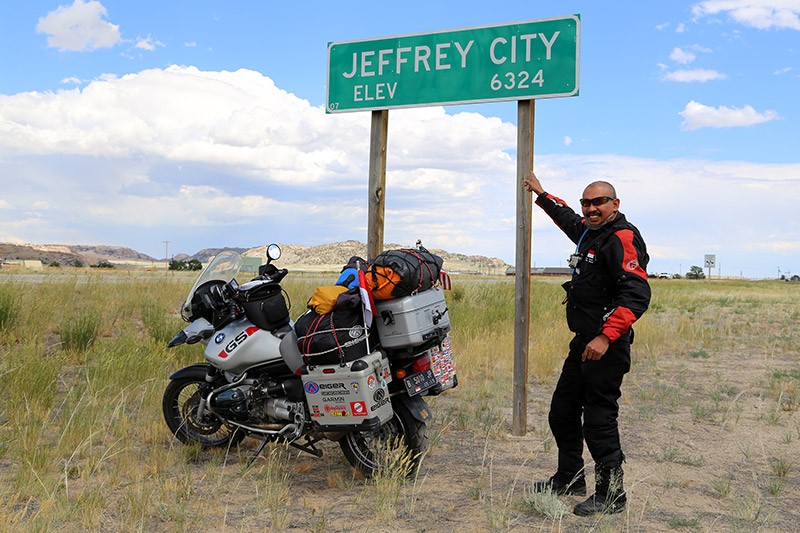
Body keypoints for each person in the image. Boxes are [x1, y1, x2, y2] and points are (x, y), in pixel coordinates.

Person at [523, 171, 650, 516]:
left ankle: (612, 495)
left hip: (606, 346)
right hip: (583, 344)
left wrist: (606, 336)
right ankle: (570, 477)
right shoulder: (593, 234)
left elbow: (637, 294)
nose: (591, 208)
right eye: (586, 203)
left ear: (615, 204)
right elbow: (569, 220)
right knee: (561, 412)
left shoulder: (621, 238)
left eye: (599, 202)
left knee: (598, 419)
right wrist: (543, 193)